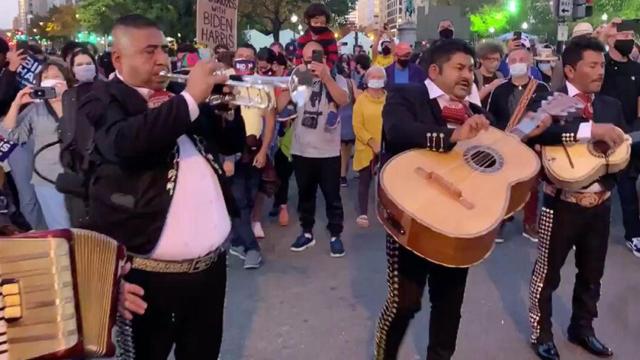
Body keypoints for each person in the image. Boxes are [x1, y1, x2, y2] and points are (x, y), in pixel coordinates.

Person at [82, 14, 245, 358]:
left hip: (210, 271)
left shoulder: (175, 93)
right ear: (118, 59)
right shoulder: (98, 96)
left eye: (163, 49)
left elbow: (231, 144)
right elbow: (124, 144)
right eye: (149, 51)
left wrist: (228, 108)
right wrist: (189, 99)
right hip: (148, 279)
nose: (162, 59)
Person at [375, 39, 492, 360]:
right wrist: (452, 135)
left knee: (449, 305)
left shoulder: (477, 112)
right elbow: (397, 131)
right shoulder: (407, 95)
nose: (468, 75)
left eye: (471, 68)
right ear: (434, 71)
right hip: (411, 215)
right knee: (404, 303)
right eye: (460, 68)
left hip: (458, 223)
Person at [527, 36, 626, 360]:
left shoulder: (611, 105)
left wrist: (612, 162)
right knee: (548, 272)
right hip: (560, 204)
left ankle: (583, 328)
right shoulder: (549, 100)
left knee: (592, 274)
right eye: (593, 65)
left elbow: (623, 149)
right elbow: (536, 132)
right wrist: (590, 131)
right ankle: (540, 333)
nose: (600, 71)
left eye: (602, 65)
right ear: (569, 70)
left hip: (600, 204)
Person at [277, 41, 349, 257]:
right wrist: (293, 80)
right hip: (302, 149)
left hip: (328, 152)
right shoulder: (301, 77)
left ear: (324, 59)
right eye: (307, 60)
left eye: (315, 59)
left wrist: (325, 77)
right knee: (304, 195)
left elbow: (343, 99)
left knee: (332, 197)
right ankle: (306, 232)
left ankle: (335, 234)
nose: (311, 65)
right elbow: (282, 105)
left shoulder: (336, 78)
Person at [487, 46, 550, 242]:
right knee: (502, 186)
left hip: (531, 145)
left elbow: (545, 117)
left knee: (531, 186)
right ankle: (500, 222)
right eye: (513, 60)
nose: (517, 63)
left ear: (530, 62)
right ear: (507, 64)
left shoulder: (541, 88)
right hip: (504, 145)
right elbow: (491, 117)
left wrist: (536, 139)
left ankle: (530, 223)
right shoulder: (499, 89)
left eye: (522, 59)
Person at [2, 60, 72, 230]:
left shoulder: (78, 104)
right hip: (47, 179)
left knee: (84, 231)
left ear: (67, 80)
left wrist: (65, 99)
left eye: (56, 76)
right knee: (60, 229)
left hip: (76, 176)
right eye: (45, 78)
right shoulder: (35, 109)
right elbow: (12, 133)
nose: (50, 80)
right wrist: (17, 102)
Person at [226, 44, 275, 268]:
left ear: (255, 61)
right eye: (240, 56)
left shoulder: (262, 84)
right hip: (231, 152)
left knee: (251, 195)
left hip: (254, 150)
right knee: (239, 200)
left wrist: (264, 150)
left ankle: (237, 240)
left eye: (248, 57)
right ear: (233, 59)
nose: (244, 60)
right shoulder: (224, 81)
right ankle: (252, 249)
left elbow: (270, 119)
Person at [600, 19, 640, 258]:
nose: (628, 38)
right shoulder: (601, 65)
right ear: (612, 39)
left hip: (631, 135)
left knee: (628, 186)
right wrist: (603, 35)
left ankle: (633, 234)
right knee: (593, 187)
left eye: (631, 34)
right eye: (622, 34)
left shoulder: (637, 69)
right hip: (602, 134)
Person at [57, 48, 101, 226]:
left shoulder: (107, 90)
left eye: (89, 64)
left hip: (101, 161)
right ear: (73, 70)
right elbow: (67, 128)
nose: (85, 67)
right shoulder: (68, 96)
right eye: (80, 64)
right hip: (77, 164)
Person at [352, 66, 385, 228]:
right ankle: (363, 213)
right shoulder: (361, 100)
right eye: (374, 77)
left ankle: (385, 212)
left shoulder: (389, 99)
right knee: (364, 181)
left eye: (380, 77)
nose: (377, 79)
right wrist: (372, 143)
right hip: (366, 148)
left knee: (385, 183)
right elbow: (357, 126)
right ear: (367, 80)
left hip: (386, 147)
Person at [335, 57, 358, 187]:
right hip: (349, 117)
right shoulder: (350, 82)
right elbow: (356, 97)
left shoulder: (333, 82)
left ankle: (338, 174)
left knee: (337, 150)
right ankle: (343, 176)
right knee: (346, 150)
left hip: (336, 116)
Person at [295, 3, 339, 69]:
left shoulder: (329, 36)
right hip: (307, 69)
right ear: (309, 21)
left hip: (326, 68)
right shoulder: (303, 39)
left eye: (322, 23)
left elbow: (333, 54)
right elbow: (299, 56)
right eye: (315, 23)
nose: (319, 25)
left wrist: (327, 67)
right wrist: (300, 66)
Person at [474, 40, 505, 106]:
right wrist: (490, 87)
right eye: (492, 59)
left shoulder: (500, 75)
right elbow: (472, 101)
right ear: (481, 59)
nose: (496, 63)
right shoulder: (474, 76)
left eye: (498, 60)